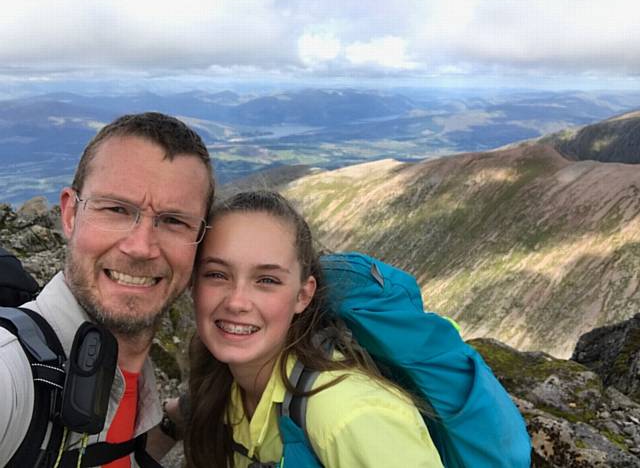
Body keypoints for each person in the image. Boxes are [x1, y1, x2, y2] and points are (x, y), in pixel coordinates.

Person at [0, 112, 215, 467]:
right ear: (69, 214)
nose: (141, 246)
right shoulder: (12, 375)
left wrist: (176, 424)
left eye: (174, 221)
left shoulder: (134, 381)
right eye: (116, 209)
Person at [184, 190, 443, 467]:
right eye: (216, 274)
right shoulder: (225, 384)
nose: (236, 302)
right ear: (193, 283)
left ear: (302, 296)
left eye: (267, 280)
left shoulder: (350, 416)